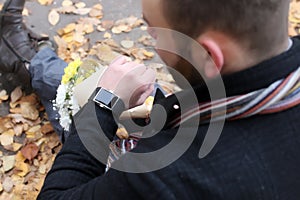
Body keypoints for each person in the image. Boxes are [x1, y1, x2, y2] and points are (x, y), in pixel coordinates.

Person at [1, 0, 300, 199]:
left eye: (154, 31)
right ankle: (27, 59)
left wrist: (102, 104)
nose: (151, 39)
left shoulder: (168, 177)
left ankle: (23, 60)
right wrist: (161, 109)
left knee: (86, 92)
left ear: (207, 55)